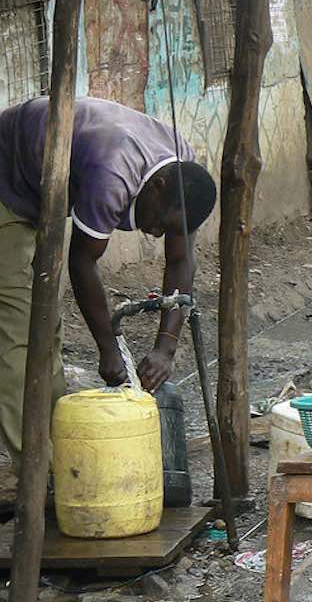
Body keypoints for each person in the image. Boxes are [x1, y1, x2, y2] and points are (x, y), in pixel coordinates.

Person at [0, 96, 217, 466]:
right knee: (18, 330)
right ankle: (37, 471)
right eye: (159, 223)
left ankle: (59, 450)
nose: (154, 233)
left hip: (45, 184)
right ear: (158, 186)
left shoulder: (183, 166)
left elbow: (181, 261)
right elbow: (81, 264)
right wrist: (108, 349)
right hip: (7, 175)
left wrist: (165, 348)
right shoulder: (113, 175)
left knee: (47, 326)